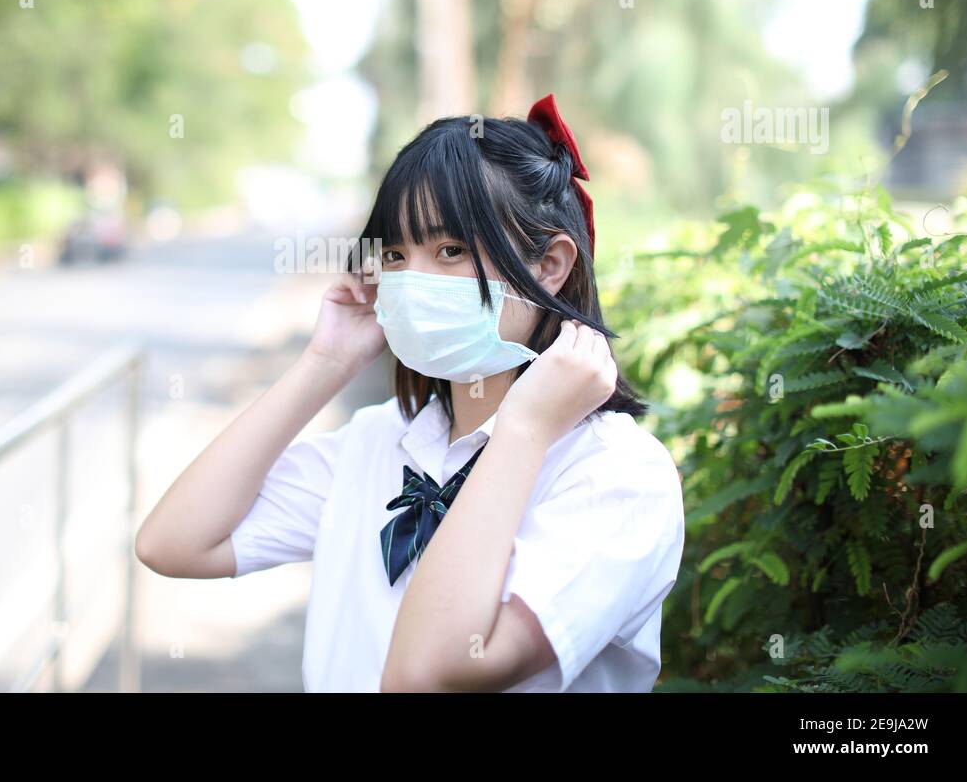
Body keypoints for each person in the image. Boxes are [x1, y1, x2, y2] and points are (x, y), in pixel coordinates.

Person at [135, 93, 686, 692]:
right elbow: (174, 542)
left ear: (550, 265)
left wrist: (522, 431)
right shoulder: (377, 442)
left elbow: (427, 674)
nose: (413, 280)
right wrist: (325, 362)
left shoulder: (617, 476)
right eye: (395, 255)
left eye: (449, 251)